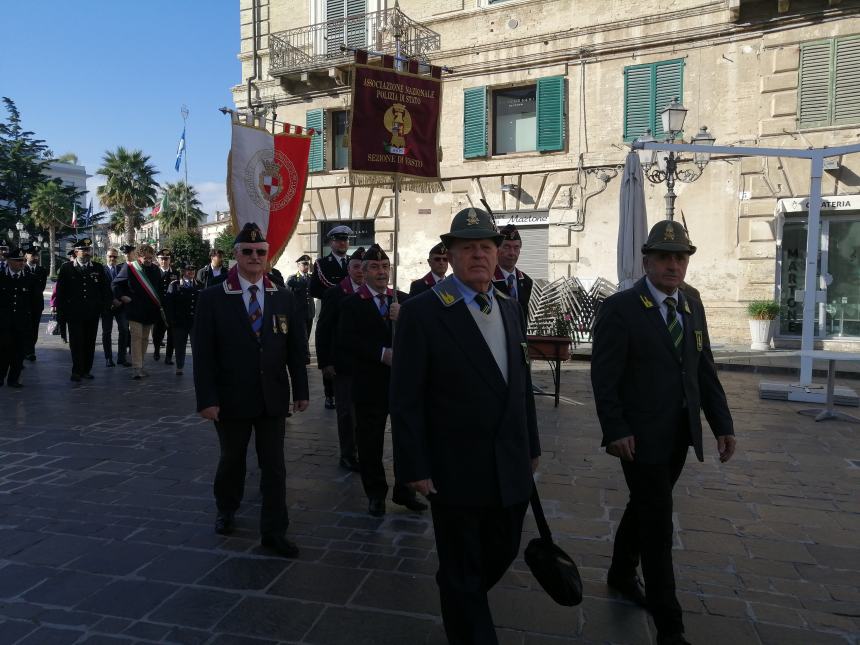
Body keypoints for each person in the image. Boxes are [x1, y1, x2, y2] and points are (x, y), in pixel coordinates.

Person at [391, 208, 540, 644]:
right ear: (451, 256)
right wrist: (413, 465)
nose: (479, 255)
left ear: (498, 255)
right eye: (468, 247)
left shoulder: (510, 308)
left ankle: (460, 592)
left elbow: (521, 384)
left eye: (486, 247)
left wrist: (531, 443)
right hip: (455, 466)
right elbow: (405, 398)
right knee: (461, 566)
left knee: (503, 549)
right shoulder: (423, 313)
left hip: (510, 462)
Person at [590, 220, 736, 645]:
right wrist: (615, 429)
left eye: (680, 258)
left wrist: (722, 424)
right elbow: (605, 377)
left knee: (646, 504)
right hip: (637, 437)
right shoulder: (620, 308)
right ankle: (670, 627)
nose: (673, 266)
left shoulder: (691, 302)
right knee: (658, 525)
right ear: (647, 261)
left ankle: (620, 571)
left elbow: (702, 369)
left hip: (679, 434)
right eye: (664, 258)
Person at [193, 222, 309, 558]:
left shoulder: (283, 296)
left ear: (268, 256)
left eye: (261, 252)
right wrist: (207, 400)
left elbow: (295, 349)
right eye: (248, 251)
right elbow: (203, 355)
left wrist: (300, 390)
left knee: (275, 466)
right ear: (236, 255)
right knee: (233, 460)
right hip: (231, 399)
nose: (255, 257)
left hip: (273, 396)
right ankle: (226, 508)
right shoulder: (213, 297)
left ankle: (274, 531)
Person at [337, 245, 425, 517]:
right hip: (368, 384)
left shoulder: (402, 300)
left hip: (400, 384)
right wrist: (381, 353)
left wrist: (405, 319)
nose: (381, 272)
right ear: (363, 272)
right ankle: (375, 493)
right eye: (375, 267)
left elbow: (419, 338)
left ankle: (405, 490)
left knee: (405, 439)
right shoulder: (352, 303)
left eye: (385, 267)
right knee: (370, 443)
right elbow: (347, 341)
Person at [315, 247, 365, 471]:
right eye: (356, 266)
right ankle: (347, 454)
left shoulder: (376, 291)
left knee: (365, 412)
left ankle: (364, 451)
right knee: (346, 412)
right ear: (349, 268)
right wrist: (324, 362)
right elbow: (323, 329)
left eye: (364, 267)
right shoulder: (335, 293)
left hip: (369, 365)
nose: (360, 271)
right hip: (343, 364)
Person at [55, 238, 113, 381]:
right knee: (76, 342)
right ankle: (76, 370)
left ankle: (86, 370)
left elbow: (105, 289)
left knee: (89, 342)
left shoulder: (98, 268)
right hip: (74, 313)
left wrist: (104, 306)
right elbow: (61, 292)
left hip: (92, 313)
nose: (87, 253)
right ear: (76, 252)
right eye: (84, 250)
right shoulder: (66, 268)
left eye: (89, 250)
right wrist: (60, 311)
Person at [310, 225, 353, 410]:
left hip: (351, 313)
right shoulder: (322, 264)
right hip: (330, 312)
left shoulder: (354, 263)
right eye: (338, 240)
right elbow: (314, 289)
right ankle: (329, 393)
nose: (342, 243)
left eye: (345, 240)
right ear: (331, 242)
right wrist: (337, 293)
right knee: (329, 348)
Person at [112, 244, 164, 380]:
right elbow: (116, 284)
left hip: (150, 311)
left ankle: (140, 365)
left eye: (150, 257)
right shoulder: (130, 268)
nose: (148, 259)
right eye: (145, 257)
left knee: (145, 339)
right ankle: (136, 368)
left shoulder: (156, 270)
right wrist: (122, 296)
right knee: (136, 337)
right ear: (139, 256)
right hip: (134, 309)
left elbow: (159, 289)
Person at [0, 247, 43, 387]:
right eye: (17, 261)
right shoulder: (1, 277)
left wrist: (32, 323)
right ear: (8, 261)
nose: (21, 263)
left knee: (18, 352)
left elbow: (36, 303)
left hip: (22, 322)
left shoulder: (31, 279)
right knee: (3, 350)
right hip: (3, 323)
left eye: (22, 260)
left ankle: (13, 379)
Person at [165, 264, 200, 376]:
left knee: (197, 346)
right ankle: (179, 366)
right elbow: (169, 304)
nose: (191, 272)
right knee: (180, 346)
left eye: (193, 270)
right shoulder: (175, 285)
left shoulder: (199, 284)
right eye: (188, 270)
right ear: (183, 271)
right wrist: (171, 320)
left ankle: (198, 367)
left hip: (195, 321)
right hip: (179, 321)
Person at [492, 224, 533, 319]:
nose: (512, 253)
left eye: (516, 247)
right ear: (497, 249)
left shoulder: (526, 281)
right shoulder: (488, 279)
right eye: (506, 247)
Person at [101, 248, 131, 367]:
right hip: (107, 306)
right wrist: (112, 300)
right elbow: (101, 289)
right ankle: (108, 358)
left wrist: (120, 299)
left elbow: (126, 286)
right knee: (106, 332)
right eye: (110, 256)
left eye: (114, 257)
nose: (112, 259)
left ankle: (121, 357)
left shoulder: (122, 269)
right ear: (106, 257)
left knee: (124, 330)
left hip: (121, 305)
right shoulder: (101, 270)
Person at [152, 249, 178, 364]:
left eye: (166, 259)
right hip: (158, 307)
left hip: (171, 309)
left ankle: (168, 357)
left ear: (170, 260)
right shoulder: (154, 272)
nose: (164, 261)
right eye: (162, 258)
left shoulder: (175, 273)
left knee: (172, 333)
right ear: (158, 259)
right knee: (158, 332)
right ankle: (157, 350)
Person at [23, 247, 48, 361]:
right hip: (24, 304)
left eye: (36, 255)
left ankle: (31, 350)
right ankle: (25, 351)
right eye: (32, 255)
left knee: (34, 328)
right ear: (26, 256)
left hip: (37, 304)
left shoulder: (42, 270)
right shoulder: (22, 268)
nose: (35, 257)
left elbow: (41, 287)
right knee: (24, 328)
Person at [286, 254, 315, 340]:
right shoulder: (293, 278)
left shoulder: (311, 278)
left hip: (310, 312)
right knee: (301, 336)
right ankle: (304, 352)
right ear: (298, 265)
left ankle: (306, 351)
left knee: (308, 335)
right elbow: (288, 294)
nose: (307, 266)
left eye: (308, 264)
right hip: (298, 313)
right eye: (304, 264)